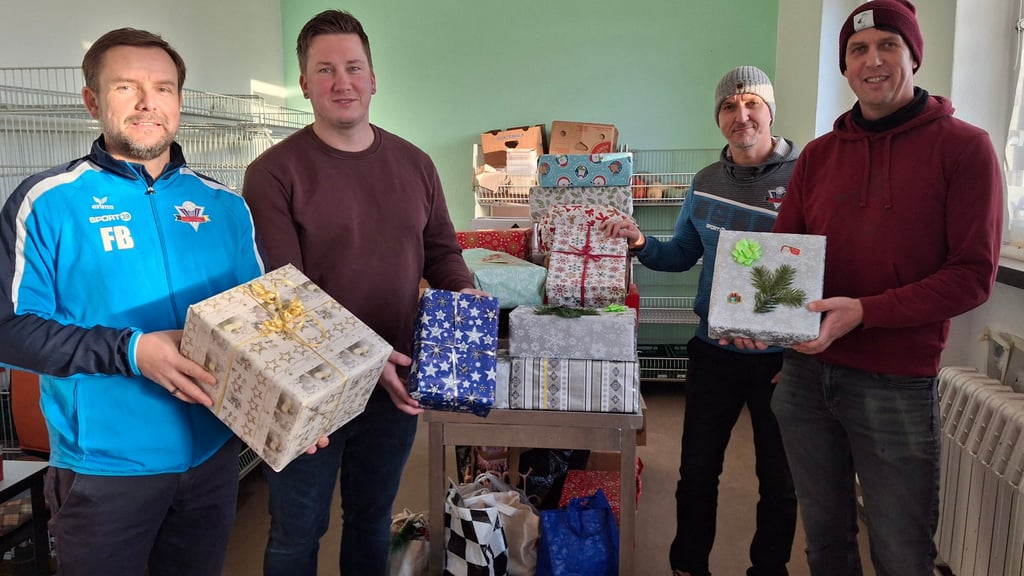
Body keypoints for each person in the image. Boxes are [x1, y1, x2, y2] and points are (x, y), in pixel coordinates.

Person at [732, 2, 1003, 575]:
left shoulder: (966, 148)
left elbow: (972, 275)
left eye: (888, 45)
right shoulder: (821, 156)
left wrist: (865, 312)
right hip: (807, 376)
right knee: (825, 543)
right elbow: (787, 253)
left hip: (897, 384)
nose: (872, 60)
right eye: (858, 49)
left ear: (913, 56)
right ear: (845, 66)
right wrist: (767, 322)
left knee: (902, 550)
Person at [0, 28, 265, 576]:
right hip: (106, 470)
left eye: (163, 88)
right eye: (127, 86)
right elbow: (8, 330)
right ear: (92, 100)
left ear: (180, 101)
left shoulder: (226, 206)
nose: (148, 102)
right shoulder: (47, 203)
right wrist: (132, 351)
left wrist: (293, 408)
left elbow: (259, 327)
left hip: (213, 458)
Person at [242, 9, 479, 576]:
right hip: (304, 384)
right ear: (305, 84)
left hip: (393, 383)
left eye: (353, 67)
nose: (341, 82)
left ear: (374, 78)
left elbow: (441, 251)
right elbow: (285, 292)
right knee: (297, 530)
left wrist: (466, 294)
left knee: (371, 519)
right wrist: (368, 361)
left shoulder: (415, 164)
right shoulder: (274, 173)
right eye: (325, 70)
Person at [602, 66, 799, 576]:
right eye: (730, 108)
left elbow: (821, 268)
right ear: (718, 118)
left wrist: (802, 351)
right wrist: (641, 243)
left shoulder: (807, 177)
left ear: (770, 111)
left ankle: (768, 569)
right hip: (713, 353)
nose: (742, 116)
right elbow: (682, 254)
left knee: (779, 480)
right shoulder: (705, 182)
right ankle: (688, 566)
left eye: (752, 104)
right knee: (696, 474)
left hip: (782, 360)